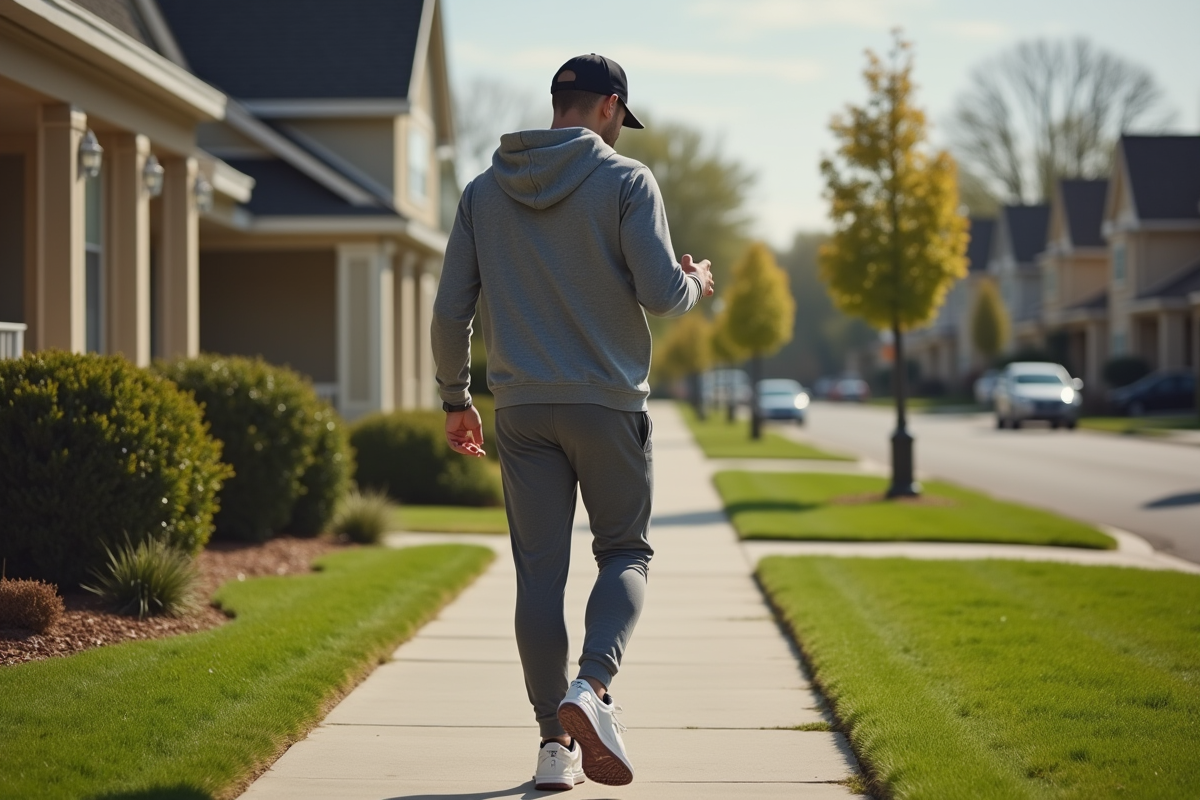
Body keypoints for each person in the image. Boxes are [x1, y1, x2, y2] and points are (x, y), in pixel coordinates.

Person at [431, 53, 714, 790]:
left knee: (538, 576)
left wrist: (456, 399)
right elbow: (660, 293)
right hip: (608, 404)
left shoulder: (482, 192)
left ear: (562, 103)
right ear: (610, 106)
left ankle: (553, 747)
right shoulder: (626, 181)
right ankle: (591, 686)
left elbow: (448, 311)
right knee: (625, 553)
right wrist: (696, 283)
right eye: (621, 118)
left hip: (522, 411)